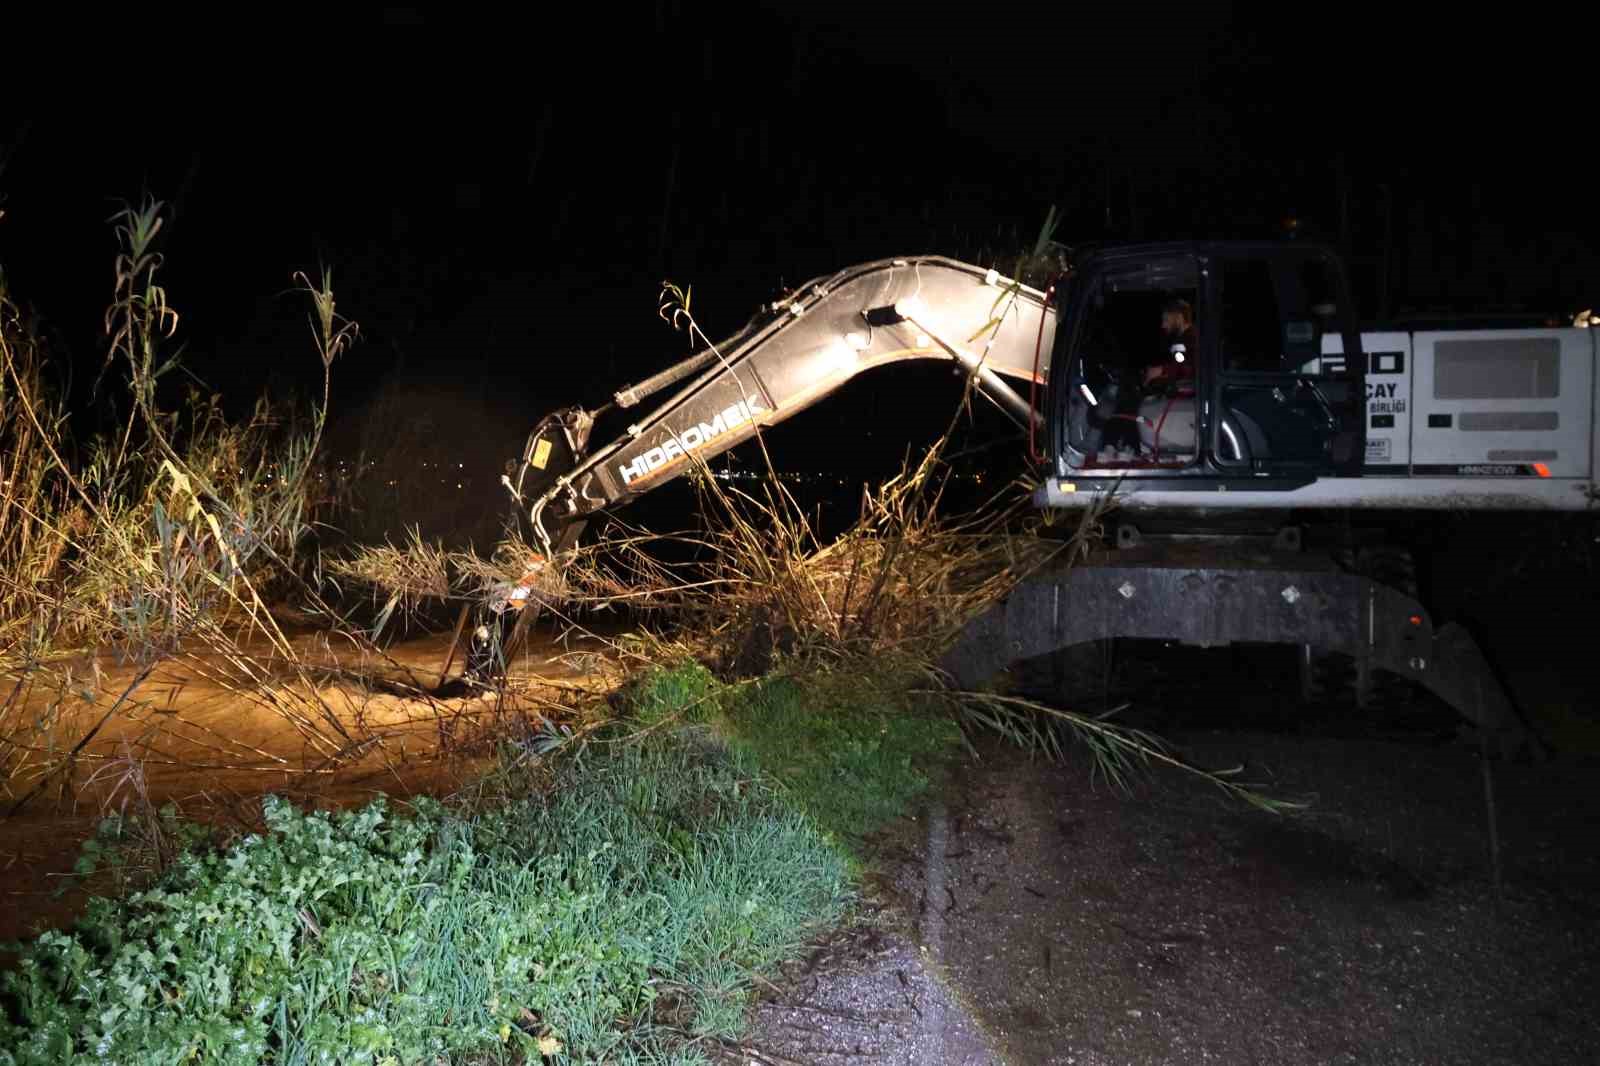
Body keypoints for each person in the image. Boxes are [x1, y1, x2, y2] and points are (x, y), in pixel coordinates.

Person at [1143, 297, 1197, 392]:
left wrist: (1161, 370)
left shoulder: (1193, 338)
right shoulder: (1179, 339)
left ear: (1179, 318)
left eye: (1166, 320)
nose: (1163, 325)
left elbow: (1190, 368)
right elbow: (1179, 364)